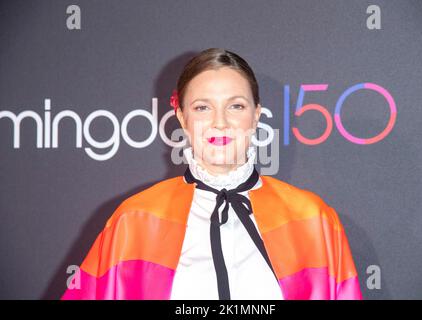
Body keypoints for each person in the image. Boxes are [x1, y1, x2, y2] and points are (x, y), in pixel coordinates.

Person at [61, 48, 362, 300]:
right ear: (182, 117)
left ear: (257, 115)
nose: (220, 122)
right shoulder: (133, 220)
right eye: (203, 107)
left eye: (236, 106)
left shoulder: (314, 219)